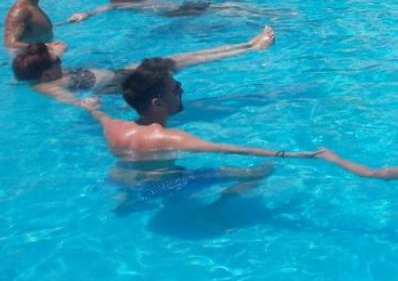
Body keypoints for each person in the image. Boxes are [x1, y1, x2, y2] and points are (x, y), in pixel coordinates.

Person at [81, 65, 320, 192]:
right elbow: (231, 149)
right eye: (175, 89)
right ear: (157, 104)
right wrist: (295, 154)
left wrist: (92, 108)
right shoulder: (169, 138)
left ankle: (125, 200)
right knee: (260, 171)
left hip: (120, 180)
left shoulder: (114, 126)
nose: (182, 90)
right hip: (162, 186)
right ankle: (214, 212)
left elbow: (99, 115)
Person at [14, 26, 275, 105]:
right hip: (125, 82)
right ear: (45, 73)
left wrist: (55, 49)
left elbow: (51, 52)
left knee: (185, 56)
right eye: (56, 61)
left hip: (122, 72)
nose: (60, 60)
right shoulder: (45, 86)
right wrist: (84, 104)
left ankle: (246, 43)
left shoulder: (47, 73)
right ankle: (251, 49)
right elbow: (66, 98)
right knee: (187, 62)